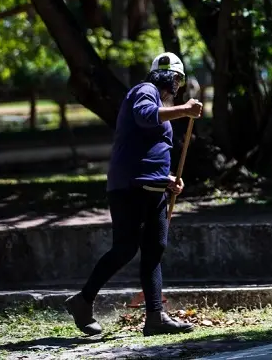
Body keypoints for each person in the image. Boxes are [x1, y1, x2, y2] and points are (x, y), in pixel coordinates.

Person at [64, 52, 203, 336]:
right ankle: (83, 301)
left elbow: (146, 151)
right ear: (175, 80)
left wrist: (168, 179)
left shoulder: (159, 103)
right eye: (178, 82)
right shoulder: (144, 91)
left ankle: (155, 317)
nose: (177, 88)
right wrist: (185, 110)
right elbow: (145, 117)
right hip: (130, 187)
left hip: (152, 188)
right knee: (126, 248)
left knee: (154, 250)